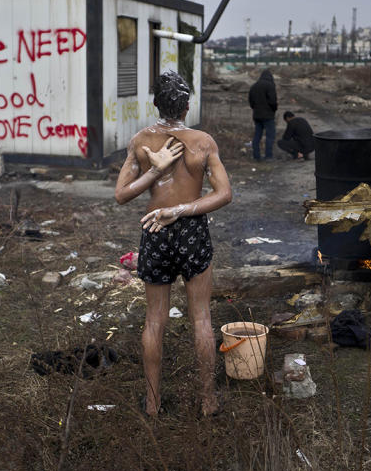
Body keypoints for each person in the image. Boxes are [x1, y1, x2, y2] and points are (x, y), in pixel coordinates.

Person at [114, 71, 233, 417]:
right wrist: (182, 209)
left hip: (155, 230)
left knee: (154, 321)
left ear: (156, 104)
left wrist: (154, 173)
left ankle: (152, 405)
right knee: (201, 319)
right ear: (187, 105)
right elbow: (224, 193)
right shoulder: (202, 142)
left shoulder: (141, 141)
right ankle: (208, 401)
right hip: (191, 228)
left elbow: (122, 195)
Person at [248, 69, 277, 160]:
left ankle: (256, 156)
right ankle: (268, 156)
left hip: (257, 115)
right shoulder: (270, 86)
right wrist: (274, 109)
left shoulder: (254, 86)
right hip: (268, 115)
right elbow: (273, 101)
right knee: (270, 136)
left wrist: (255, 109)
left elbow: (251, 101)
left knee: (257, 136)